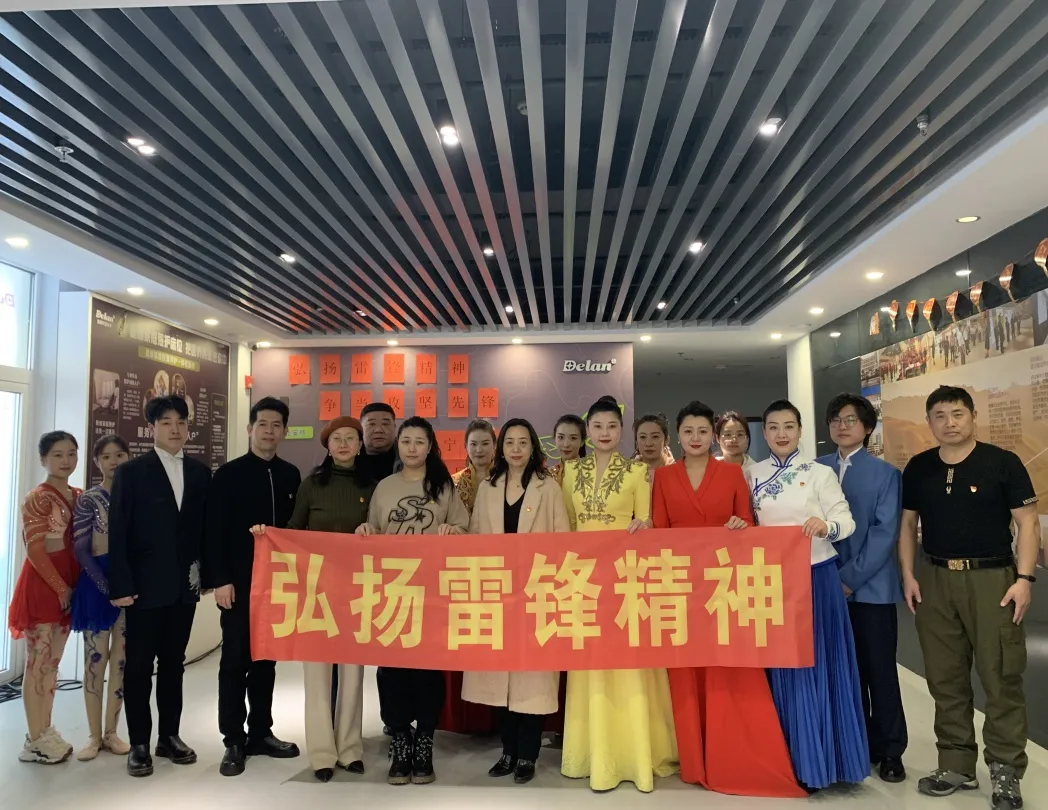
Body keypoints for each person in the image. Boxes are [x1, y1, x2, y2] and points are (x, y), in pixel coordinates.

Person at [652, 402, 804, 798]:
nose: (696, 438)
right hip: (682, 589)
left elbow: (749, 526)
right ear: (678, 436)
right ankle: (694, 761)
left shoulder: (733, 474)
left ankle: (730, 754)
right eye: (689, 431)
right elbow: (659, 535)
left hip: (724, 587)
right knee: (687, 673)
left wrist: (740, 524)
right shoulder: (663, 478)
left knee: (727, 671)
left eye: (703, 431)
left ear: (713, 436)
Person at [899, 386, 1038, 810]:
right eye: (939, 416)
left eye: (957, 413)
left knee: (1000, 676)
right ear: (929, 422)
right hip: (935, 578)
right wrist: (908, 574)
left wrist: (1025, 578)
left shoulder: (1002, 463)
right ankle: (956, 764)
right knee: (945, 677)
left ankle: (1005, 769)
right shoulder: (920, 467)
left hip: (992, 579)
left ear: (973, 415)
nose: (950, 423)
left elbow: (1028, 523)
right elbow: (907, 525)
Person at [559, 395, 677, 792]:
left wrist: (643, 526)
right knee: (590, 661)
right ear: (587, 431)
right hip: (585, 579)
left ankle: (634, 754)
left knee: (628, 662)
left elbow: (646, 521)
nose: (605, 433)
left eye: (612, 426)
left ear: (621, 431)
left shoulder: (638, 472)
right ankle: (590, 754)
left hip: (626, 578)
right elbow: (567, 526)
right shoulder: (570, 471)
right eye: (597, 426)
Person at [749, 400, 867, 790]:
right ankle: (788, 761)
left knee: (817, 665)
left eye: (789, 426)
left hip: (816, 578)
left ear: (800, 430)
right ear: (764, 433)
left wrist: (826, 526)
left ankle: (824, 764)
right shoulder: (752, 474)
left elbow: (846, 520)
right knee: (781, 666)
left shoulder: (820, 473)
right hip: (771, 582)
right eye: (773, 427)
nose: (781, 434)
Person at [252, 415, 375, 783]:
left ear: (359, 445)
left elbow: (382, 533)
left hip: (357, 592)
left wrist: (372, 530)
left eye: (350, 438)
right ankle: (322, 753)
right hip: (316, 593)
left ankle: (350, 749)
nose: (343, 444)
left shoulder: (373, 486)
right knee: (317, 675)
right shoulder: (311, 485)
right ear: (328, 445)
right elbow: (293, 531)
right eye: (337, 438)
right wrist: (268, 537)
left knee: (353, 675)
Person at [357, 416, 470, 785]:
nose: (412, 448)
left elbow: (465, 529)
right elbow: (374, 530)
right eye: (406, 441)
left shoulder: (444, 486)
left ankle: (425, 740)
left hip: (432, 591)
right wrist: (366, 531)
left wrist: (453, 530)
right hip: (392, 591)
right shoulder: (385, 487)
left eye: (419, 441)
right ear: (398, 445)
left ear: (430, 446)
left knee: (427, 670)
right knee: (391, 669)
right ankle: (400, 738)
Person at [108, 395, 212, 778]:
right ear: (152, 427)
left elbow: (205, 530)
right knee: (138, 666)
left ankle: (169, 736)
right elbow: (118, 531)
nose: (175, 428)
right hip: (143, 587)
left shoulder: (200, 472)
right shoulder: (131, 472)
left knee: (173, 664)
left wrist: (209, 577)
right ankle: (139, 743)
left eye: (181, 421)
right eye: (166, 421)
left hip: (185, 586)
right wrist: (120, 584)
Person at [462, 418, 570, 784]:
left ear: (533, 447)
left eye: (523, 442)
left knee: (532, 677)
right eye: (510, 442)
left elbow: (562, 540)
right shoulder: (488, 487)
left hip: (536, 592)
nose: (516, 449)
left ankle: (528, 754)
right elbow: (476, 538)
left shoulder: (547, 487)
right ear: (501, 448)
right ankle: (507, 751)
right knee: (502, 677)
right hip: (498, 593)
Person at [204, 397, 302, 777]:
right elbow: (213, 531)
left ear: (285, 431)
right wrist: (220, 580)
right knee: (234, 661)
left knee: (266, 661)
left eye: (276, 425)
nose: (269, 431)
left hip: (277, 585)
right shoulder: (228, 475)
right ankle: (233, 739)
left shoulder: (291, 475)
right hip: (239, 584)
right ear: (250, 429)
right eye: (263, 424)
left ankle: (261, 732)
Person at [818, 393, 908, 784]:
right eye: (835, 419)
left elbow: (884, 534)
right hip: (823, 587)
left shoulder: (885, 474)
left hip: (871, 591)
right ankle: (855, 744)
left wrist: (848, 579)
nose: (842, 426)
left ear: (868, 427)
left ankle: (890, 750)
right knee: (842, 671)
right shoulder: (815, 469)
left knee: (879, 671)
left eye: (851, 419)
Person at [8, 431, 82, 764]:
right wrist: (60, 588)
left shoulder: (79, 495)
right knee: (37, 663)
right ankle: (35, 738)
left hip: (68, 584)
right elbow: (35, 550)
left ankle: (45, 730)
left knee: (52, 664)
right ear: (43, 459)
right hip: (43, 586)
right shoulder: (37, 497)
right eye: (57, 455)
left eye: (71, 453)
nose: (66, 461)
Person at [71, 434, 131, 762]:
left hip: (129, 586)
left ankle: (112, 732)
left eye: (119, 455)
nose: (113, 461)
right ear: (97, 462)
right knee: (95, 662)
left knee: (120, 661)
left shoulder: (136, 495)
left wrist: (127, 586)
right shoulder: (88, 500)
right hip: (97, 585)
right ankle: (93, 735)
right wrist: (108, 587)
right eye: (106, 456)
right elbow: (81, 550)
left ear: (128, 457)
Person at [452, 418, 497, 512]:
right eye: (473, 444)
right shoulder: (454, 483)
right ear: (466, 446)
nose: (479, 450)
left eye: (485, 444)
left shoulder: (507, 479)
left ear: (494, 445)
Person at [356, 402, 398, 482]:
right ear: (361, 428)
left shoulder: (409, 458)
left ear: (394, 427)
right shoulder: (348, 458)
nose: (378, 430)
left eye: (385, 424)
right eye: (371, 424)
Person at [547, 414, 586, 485]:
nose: (566, 444)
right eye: (561, 437)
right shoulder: (547, 475)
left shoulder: (590, 473)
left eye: (573, 438)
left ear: (582, 441)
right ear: (554, 438)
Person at [633, 413, 673, 479]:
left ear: (666, 440)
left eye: (655, 437)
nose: (648, 444)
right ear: (636, 442)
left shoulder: (677, 473)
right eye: (643, 437)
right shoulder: (626, 474)